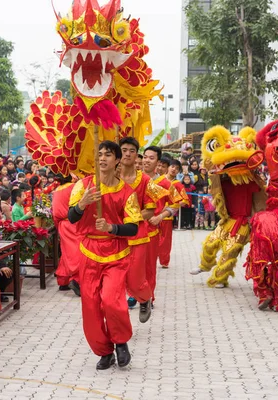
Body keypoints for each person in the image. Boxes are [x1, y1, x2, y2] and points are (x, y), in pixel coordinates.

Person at [68, 140, 142, 370]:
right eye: (99, 154)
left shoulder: (126, 193)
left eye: (108, 155)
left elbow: (134, 227)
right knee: (90, 306)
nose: (102, 158)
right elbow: (72, 217)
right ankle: (104, 351)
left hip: (116, 255)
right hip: (89, 253)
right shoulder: (84, 185)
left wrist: (111, 228)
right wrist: (82, 204)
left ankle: (120, 342)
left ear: (117, 160)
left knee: (111, 300)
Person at [119, 137, 161, 321]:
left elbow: (150, 210)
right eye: (124, 150)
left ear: (137, 155)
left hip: (138, 235)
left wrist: (131, 220)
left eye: (131, 150)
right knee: (116, 278)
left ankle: (144, 299)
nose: (127, 154)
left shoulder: (145, 181)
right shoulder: (110, 177)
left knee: (136, 277)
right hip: (114, 236)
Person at [141, 146, 177, 302]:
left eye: (151, 158)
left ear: (158, 162)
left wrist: (161, 216)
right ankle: (135, 294)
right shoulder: (134, 179)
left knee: (149, 267)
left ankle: (148, 297)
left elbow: (176, 203)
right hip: (131, 229)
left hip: (151, 231)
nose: (146, 160)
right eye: (145, 157)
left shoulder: (164, 183)